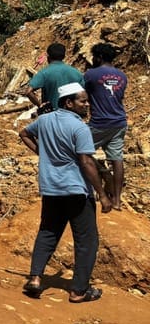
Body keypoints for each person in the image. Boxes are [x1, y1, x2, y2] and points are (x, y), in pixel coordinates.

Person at [19, 83, 113, 302]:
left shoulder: (44, 120)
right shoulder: (80, 128)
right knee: (86, 240)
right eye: (83, 101)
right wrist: (102, 194)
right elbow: (86, 161)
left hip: (51, 188)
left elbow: (23, 133)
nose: (87, 105)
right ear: (69, 103)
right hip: (76, 190)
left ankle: (35, 278)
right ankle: (79, 290)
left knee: (48, 232)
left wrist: (42, 152)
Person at [84, 43, 128, 210]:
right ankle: (117, 200)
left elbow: (83, 95)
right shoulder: (122, 76)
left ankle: (101, 191)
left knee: (81, 153)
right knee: (117, 159)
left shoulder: (91, 74)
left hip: (99, 123)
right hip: (119, 122)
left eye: (94, 56)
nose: (93, 59)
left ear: (100, 57)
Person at [24, 43, 84, 114]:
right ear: (64, 56)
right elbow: (84, 93)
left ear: (48, 56)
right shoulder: (76, 73)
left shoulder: (44, 73)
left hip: (52, 114)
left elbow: (28, 92)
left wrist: (40, 106)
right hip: (72, 114)